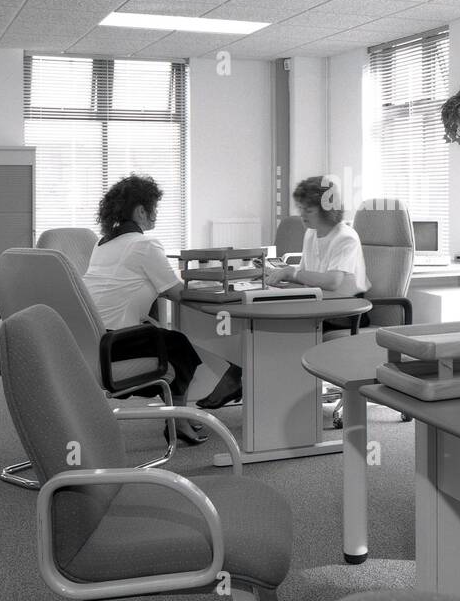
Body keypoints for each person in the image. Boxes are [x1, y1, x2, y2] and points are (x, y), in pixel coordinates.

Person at [196, 175, 369, 410]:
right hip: (318, 304)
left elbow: (332, 281)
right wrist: (281, 276)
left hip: (345, 310)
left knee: (270, 331)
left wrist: (291, 274)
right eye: (301, 208)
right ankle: (247, 383)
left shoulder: (345, 237)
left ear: (326, 208)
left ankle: (246, 385)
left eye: (308, 208)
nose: (302, 214)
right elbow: (308, 274)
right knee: (256, 323)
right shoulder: (311, 233)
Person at [81, 174, 207, 444]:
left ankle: (179, 417)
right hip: (115, 343)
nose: (156, 215)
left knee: (167, 338)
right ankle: (178, 422)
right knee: (179, 345)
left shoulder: (102, 244)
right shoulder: (143, 244)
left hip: (90, 340)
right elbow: (177, 292)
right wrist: (216, 286)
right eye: (154, 208)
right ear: (140, 210)